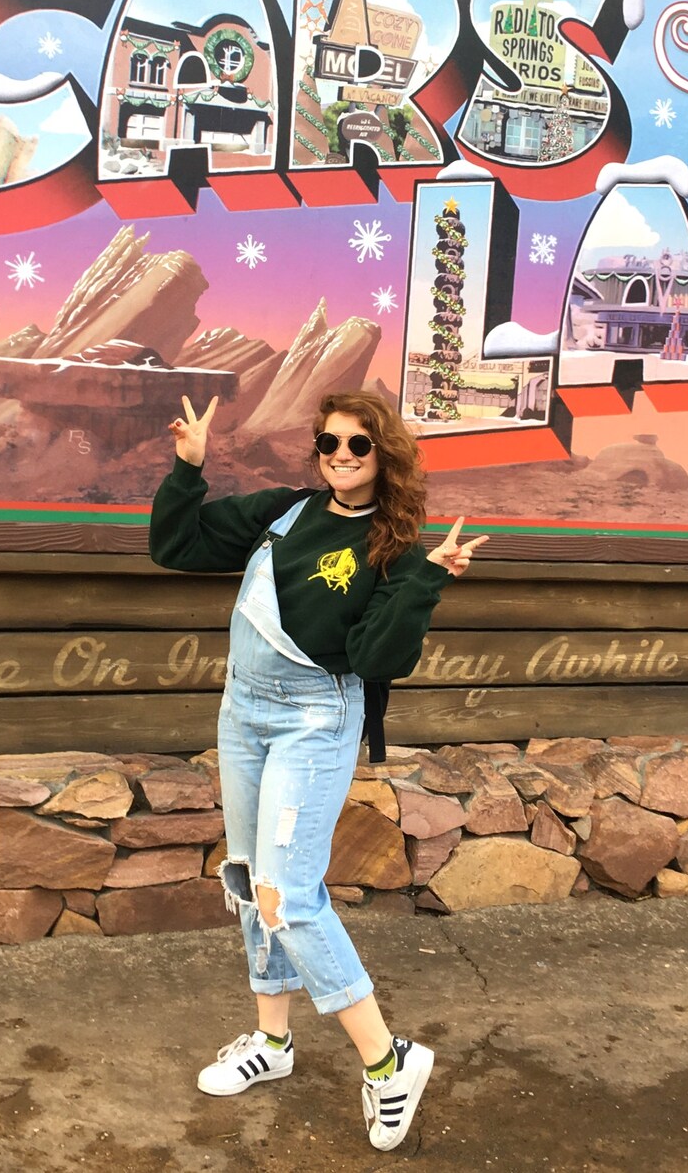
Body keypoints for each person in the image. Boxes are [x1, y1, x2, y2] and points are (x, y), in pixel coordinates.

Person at [149, 389, 488, 1152]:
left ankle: (388, 1062)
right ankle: (272, 1042)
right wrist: (188, 468)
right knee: (249, 879)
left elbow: (375, 657)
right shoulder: (284, 511)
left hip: (315, 717)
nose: (340, 455)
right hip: (243, 712)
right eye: (328, 442)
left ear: (383, 455)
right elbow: (177, 546)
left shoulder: (395, 547)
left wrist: (425, 580)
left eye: (358, 444)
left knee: (287, 893)